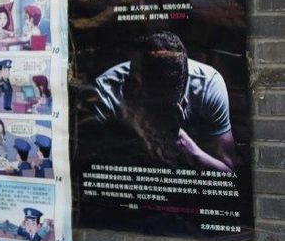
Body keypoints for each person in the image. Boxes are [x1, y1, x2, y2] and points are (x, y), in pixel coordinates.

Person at [93, 31, 236, 172]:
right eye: (133, 82)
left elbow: (228, 171)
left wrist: (185, 145)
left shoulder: (207, 86)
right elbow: (95, 167)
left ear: (182, 99)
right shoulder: (107, 92)